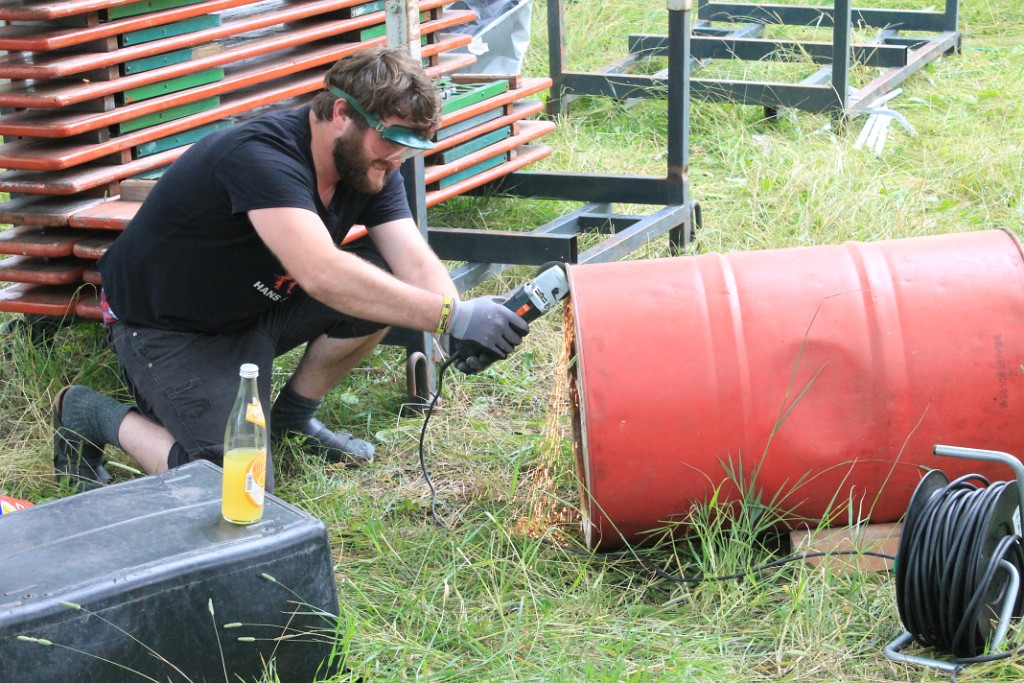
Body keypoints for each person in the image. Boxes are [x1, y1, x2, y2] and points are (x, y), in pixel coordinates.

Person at [52, 47, 529, 494]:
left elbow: (414, 261)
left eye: (409, 147)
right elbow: (321, 273)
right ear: (341, 113)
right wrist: (450, 316)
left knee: (382, 279)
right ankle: (87, 413)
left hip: (256, 306)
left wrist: (456, 320)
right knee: (239, 488)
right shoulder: (262, 157)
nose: (397, 158)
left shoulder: (371, 164)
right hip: (170, 327)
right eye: (391, 139)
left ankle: (293, 417)